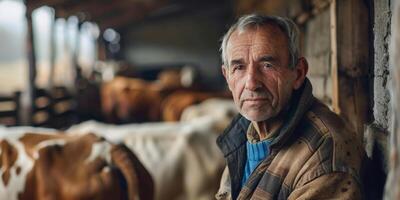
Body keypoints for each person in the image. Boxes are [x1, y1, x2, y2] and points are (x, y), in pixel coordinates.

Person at [215, 14, 364, 199]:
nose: (251, 83)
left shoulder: (325, 153)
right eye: (239, 68)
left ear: (298, 73)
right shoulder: (245, 135)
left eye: (267, 65)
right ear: (227, 77)